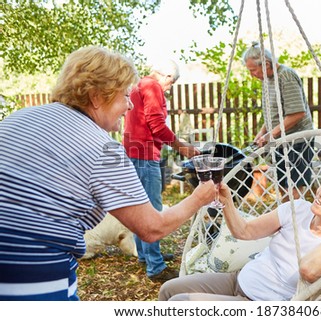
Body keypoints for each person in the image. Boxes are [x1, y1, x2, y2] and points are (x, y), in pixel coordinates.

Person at [0, 46, 215, 301]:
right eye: (125, 95)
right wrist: (201, 196)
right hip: (32, 276)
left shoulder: (18, 119)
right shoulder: (101, 146)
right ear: (96, 97)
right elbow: (151, 227)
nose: (130, 104)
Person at [159, 165, 321, 301]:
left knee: (180, 305)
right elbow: (244, 231)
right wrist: (227, 201)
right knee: (168, 290)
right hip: (238, 279)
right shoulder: (297, 208)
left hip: (258, 302)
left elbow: (307, 271)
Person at [123, 59, 200, 281]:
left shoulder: (139, 85)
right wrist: (182, 146)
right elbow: (157, 125)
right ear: (167, 77)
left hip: (133, 152)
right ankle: (156, 267)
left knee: (140, 205)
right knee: (152, 210)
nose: (169, 88)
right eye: (172, 83)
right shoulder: (153, 87)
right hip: (144, 154)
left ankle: (147, 256)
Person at [243, 41, 314, 201]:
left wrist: (270, 135)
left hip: (297, 141)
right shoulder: (267, 80)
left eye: (253, 70)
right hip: (280, 141)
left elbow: (297, 113)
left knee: (294, 189)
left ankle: (296, 223)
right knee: (283, 186)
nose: (251, 74)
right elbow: (273, 114)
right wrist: (262, 133)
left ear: (266, 64)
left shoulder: (285, 76)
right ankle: (288, 221)